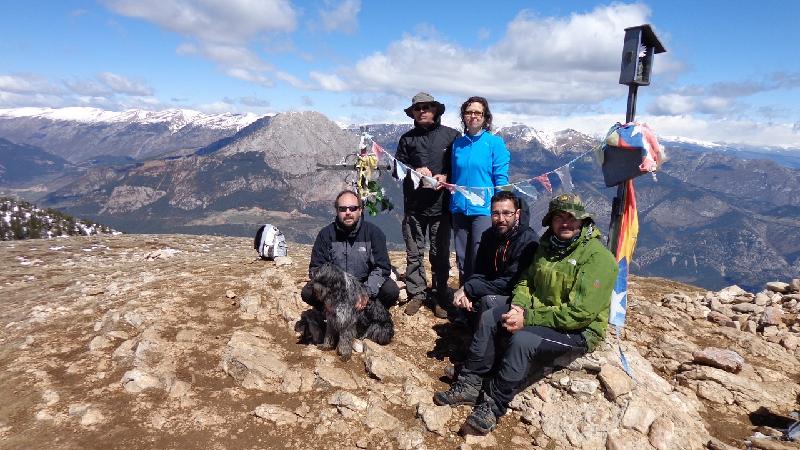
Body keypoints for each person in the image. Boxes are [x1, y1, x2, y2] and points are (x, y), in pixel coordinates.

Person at [434, 192, 618, 435]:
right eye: (558, 218)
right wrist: (518, 305)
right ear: (550, 222)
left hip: (578, 331)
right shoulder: (547, 246)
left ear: (583, 221)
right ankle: (471, 381)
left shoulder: (598, 258)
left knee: (522, 340)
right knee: (490, 317)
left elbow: (580, 314)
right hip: (538, 312)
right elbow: (525, 281)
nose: (565, 223)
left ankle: (494, 405)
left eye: (571, 218)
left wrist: (528, 318)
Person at [395, 92, 461, 317]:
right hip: (414, 207)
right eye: (418, 108)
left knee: (440, 253)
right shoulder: (407, 139)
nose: (422, 111)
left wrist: (445, 176)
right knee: (414, 253)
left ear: (435, 110)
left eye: (427, 107)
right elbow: (397, 170)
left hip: (442, 207)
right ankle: (417, 293)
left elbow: (461, 169)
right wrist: (414, 172)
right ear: (412, 113)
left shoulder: (452, 137)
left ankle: (440, 294)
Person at [451, 190, 538, 328]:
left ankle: (488, 344)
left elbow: (510, 282)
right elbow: (480, 272)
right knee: (470, 299)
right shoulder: (489, 236)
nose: (501, 219)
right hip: (496, 287)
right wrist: (468, 290)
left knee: (486, 301)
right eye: (496, 213)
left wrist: (470, 288)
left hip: (518, 296)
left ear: (517, 214)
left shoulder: (528, 242)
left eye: (507, 213)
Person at [302, 190, 399, 312]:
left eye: (352, 208)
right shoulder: (325, 235)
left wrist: (366, 293)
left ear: (360, 210)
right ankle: (329, 314)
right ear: (337, 211)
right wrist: (329, 296)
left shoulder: (374, 233)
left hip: (364, 282)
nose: (348, 212)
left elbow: (382, 268)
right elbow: (316, 268)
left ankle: (371, 313)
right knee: (308, 293)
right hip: (335, 286)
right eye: (342, 209)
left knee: (390, 290)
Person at [450, 96, 510, 286]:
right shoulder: (458, 144)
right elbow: (454, 174)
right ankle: (462, 302)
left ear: (485, 117)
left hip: (483, 209)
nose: (473, 116)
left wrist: (501, 204)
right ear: (463, 116)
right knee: (461, 258)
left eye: (478, 112)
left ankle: (475, 301)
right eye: (469, 112)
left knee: (478, 256)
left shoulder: (494, 143)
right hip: (459, 208)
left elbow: (501, 177)